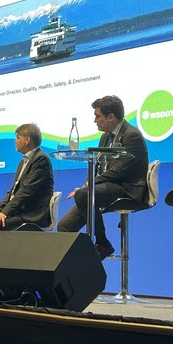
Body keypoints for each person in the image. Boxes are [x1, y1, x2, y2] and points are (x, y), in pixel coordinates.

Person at [58, 95, 149, 260]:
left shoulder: (132, 135)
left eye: (98, 116)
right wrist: (88, 184)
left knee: (84, 194)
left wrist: (89, 187)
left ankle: (102, 243)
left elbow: (119, 171)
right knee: (64, 227)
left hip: (126, 189)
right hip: (105, 187)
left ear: (111, 117)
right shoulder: (105, 137)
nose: (95, 120)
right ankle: (81, 263)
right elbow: (97, 166)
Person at [0, 123, 53, 244]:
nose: (15, 141)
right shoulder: (23, 162)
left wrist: (4, 213)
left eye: (18, 138)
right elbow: (13, 192)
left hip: (32, 213)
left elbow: (26, 192)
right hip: (20, 211)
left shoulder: (41, 159)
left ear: (27, 140)